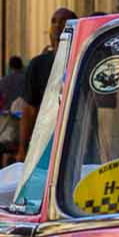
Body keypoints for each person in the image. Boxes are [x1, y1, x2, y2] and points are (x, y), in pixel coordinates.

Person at [20, 8, 78, 150]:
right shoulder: (38, 65)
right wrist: (22, 148)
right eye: (54, 21)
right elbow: (29, 110)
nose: (58, 25)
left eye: (64, 21)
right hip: (46, 142)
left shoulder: (82, 60)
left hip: (77, 140)